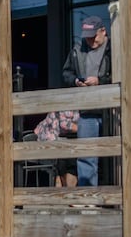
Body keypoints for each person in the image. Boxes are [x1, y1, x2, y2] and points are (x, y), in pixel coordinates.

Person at [62, 16, 112, 186]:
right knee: (86, 155)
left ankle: (111, 198)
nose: (90, 41)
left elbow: (121, 75)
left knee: (112, 156)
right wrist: (76, 81)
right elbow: (66, 73)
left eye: (93, 36)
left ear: (103, 31)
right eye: (87, 37)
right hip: (87, 109)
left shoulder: (113, 48)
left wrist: (100, 81)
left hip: (111, 110)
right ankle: (89, 198)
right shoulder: (78, 49)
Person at [32, 109, 82, 187]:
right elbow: (64, 124)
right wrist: (84, 129)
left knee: (66, 166)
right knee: (62, 167)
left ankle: (67, 191)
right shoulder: (64, 103)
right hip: (51, 139)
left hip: (64, 140)